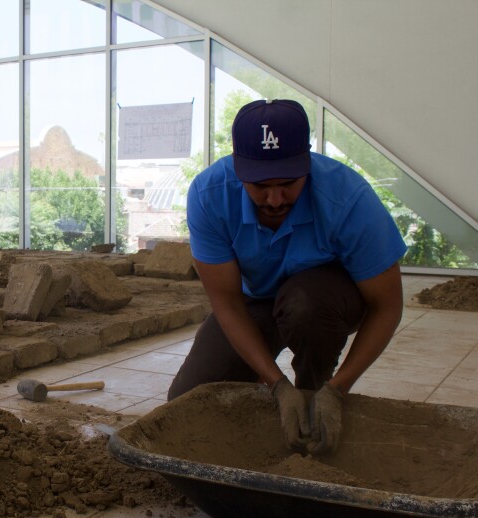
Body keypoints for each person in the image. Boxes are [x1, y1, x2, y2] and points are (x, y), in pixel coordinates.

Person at [168, 98, 407, 455]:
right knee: (188, 401)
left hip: (324, 299)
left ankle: (315, 398)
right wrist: (276, 384)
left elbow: (386, 307)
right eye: (260, 185)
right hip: (255, 300)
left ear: (307, 163)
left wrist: (338, 389)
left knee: (304, 304)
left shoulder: (348, 199)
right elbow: (228, 304)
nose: (276, 198)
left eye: (288, 183)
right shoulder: (209, 195)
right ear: (237, 169)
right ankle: (289, 402)